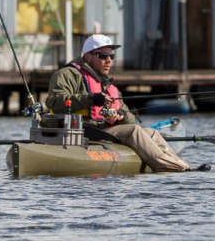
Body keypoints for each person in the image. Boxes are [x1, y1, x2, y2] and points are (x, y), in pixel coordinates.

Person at [45, 34, 206, 172]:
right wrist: (92, 98)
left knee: (151, 133)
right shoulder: (66, 75)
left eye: (111, 56)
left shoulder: (109, 85)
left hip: (103, 130)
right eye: (103, 56)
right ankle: (171, 168)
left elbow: (130, 120)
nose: (109, 61)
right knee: (134, 131)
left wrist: (120, 115)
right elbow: (55, 102)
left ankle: (183, 166)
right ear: (87, 57)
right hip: (82, 130)